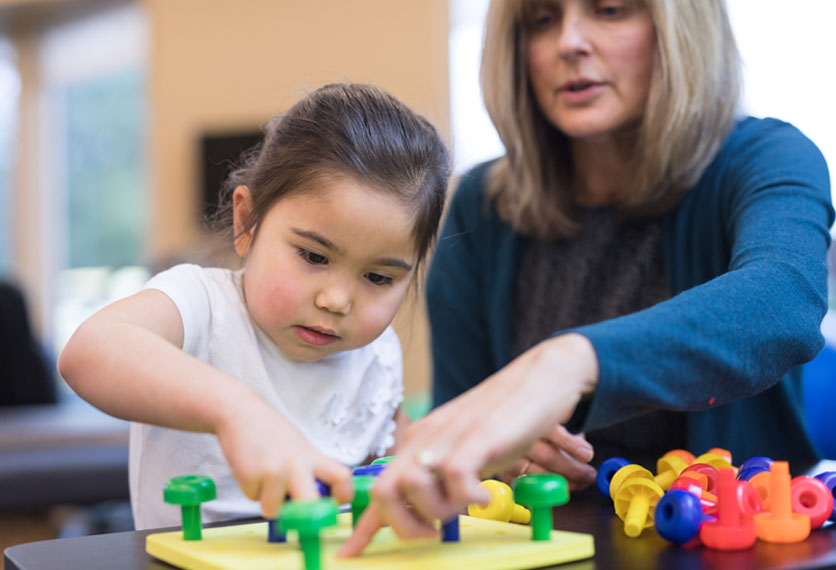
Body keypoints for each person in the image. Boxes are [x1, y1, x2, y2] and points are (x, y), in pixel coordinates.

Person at [340, 0, 833, 554]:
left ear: (681, 30)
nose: (569, 42)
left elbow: (783, 302)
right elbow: (472, 448)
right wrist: (506, 463)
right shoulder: (479, 206)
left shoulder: (767, 156)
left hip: (738, 550)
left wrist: (570, 362)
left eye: (610, 10)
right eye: (543, 20)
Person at [58, 82, 450, 529]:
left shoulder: (376, 355)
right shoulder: (202, 304)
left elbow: (389, 471)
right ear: (247, 223)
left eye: (379, 277)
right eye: (314, 256)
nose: (337, 300)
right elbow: (88, 352)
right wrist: (235, 410)